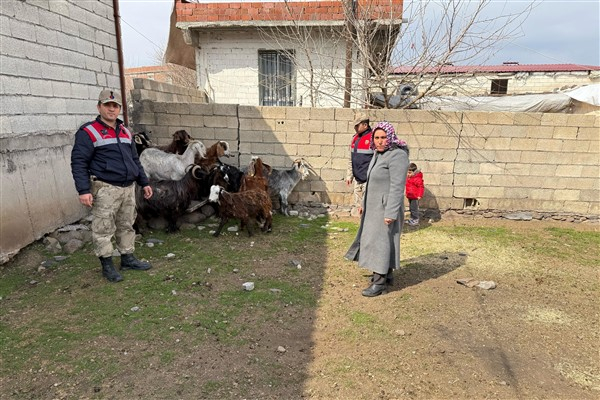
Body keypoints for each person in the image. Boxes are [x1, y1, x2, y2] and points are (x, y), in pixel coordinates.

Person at [71, 89, 154, 283]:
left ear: (119, 109)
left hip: (127, 188)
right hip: (105, 188)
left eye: (115, 106)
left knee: (126, 224)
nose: (111, 109)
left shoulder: (125, 131)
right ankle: (107, 265)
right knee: (104, 227)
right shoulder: (88, 132)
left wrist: (144, 182)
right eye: (107, 105)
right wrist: (83, 190)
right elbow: (78, 162)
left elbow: (135, 159)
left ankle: (127, 258)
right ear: (99, 107)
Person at [344, 121, 410, 297]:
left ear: (390, 137)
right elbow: (372, 182)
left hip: (385, 208)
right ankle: (386, 275)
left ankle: (379, 282)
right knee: (379, 241)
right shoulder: (378, 154)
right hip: (373, 208)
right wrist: (363, 205)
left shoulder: (397, 156)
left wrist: (390, 213)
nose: (380, 141)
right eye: (377, 137)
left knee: (380, 243)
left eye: (383, 137)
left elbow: (397, 187)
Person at [345, 113, 374, 215]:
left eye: (357, 125)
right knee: (359, 205)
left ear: (365, 125)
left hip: (368, 179)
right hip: (357, 178)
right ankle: (362, 223)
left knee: (367, 205)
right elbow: (351, 159)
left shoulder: (372, 138)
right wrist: (349, 175)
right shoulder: (355, 138)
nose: (355, 127)